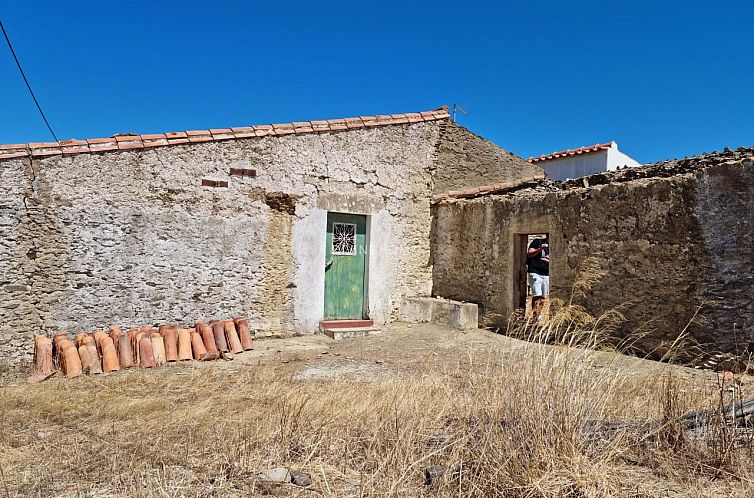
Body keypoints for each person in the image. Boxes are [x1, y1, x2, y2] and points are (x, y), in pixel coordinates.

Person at [527, 236, 550, 320]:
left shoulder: (555, 246)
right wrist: (540, 249)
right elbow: (529, 254)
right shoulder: (538, 242)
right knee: (537, 295)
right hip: (535, 272)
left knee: (543, 297)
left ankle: (538, 315)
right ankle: (534, 318)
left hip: (546, 274)